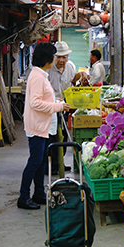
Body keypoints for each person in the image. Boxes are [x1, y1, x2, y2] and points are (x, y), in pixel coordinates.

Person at [18, 42, 70, 210]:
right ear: (47, 59)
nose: (56, 60)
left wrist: (57, 101)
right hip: (37, 126)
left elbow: (43, 99)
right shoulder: (37, 77)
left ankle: (38, 193)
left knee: (41, 162)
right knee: (35, 161)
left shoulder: (41, 75)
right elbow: (36, 103)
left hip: (43, 125)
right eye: (54, 57)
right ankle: (23, 196)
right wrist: (58, 107)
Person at [47, 41, 82, 174]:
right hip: (51, 107)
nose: (62, 60)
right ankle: (52, 165)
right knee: (52, 136)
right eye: (58, 57)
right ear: (53, 56)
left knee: (64, 136)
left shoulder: (70, 67)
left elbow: (72, 80)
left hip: (65, 107)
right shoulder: (48, 69)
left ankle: (60, 162)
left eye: (64, 57)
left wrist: (81, 76)